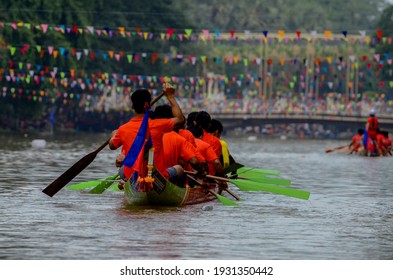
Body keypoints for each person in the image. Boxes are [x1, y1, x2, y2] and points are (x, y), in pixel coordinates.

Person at [109, 83, 184, 188]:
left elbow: (112, 146)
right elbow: (180, 119)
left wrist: (114, 135)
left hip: (133, 177)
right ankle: (177, 190)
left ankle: (126, 183)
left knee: (122, 168)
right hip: (156, 177)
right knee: (179, 168)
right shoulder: (158, 125)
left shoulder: (123, 129)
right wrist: (170, 96)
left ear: (132, 106)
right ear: (147, 105)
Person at [152, 104, 206, 185]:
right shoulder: (179, 138)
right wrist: (202, 173)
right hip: (167, 177)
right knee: (180, 169)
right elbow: (196, 162)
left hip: (146, 177)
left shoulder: (144, 134)